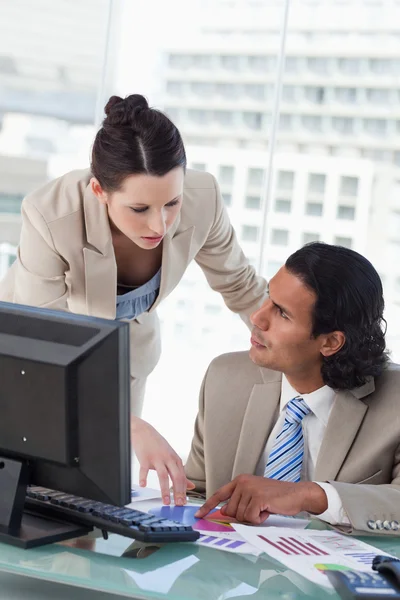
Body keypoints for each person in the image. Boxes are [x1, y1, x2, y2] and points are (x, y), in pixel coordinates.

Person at [0, 94, 267, 505]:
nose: (159, 224)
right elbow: (44, 353)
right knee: (29, 493)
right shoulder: (50, 215)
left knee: (96, 497)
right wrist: (131, 426)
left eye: (171, 204)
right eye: (139, 208)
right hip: (30, 357)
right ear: (99, 191)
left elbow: (241, 285)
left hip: (121, 358)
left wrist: (294, 350)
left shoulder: (203, 197)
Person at [186, 242, 400, 535]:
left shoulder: (395, 401)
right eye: (267, 298)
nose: (257, 318)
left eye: (282, 314)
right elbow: (195, 497)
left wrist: (308, 495)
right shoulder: (224, 379)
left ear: (330, 342)